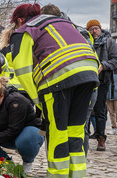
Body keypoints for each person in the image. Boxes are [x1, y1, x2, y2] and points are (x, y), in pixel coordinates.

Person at [10, 3, 99, 178]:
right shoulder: (65, 23)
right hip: (89, 72)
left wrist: (38, 99)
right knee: (75, 132)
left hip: (58, 77)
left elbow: (22, 69)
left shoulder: (25, 30)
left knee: (57, 132)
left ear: (19, 20)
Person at [40, 3, 97, 156]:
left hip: (62, 84)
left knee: (58, 128)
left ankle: (62, 169)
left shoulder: (46, 31)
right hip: (88, 82)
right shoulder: (81, 31)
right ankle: (78, 167)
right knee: (79, 127)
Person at [0, 77, 43, 173]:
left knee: (29, 138)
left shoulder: (17, 101)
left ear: (2, 96)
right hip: (4, 133)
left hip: (24, 133)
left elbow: (14, 129)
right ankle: (6, 162)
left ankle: (27, 162)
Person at [86, 19, 117, 151]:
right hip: (86, 80)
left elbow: (115, 61)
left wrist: (103, 66)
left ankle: (101, 138)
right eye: (91, 29)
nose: (94, 32)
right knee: (85, 110)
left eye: (96, 28)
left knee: (100, 111)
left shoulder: (110, 42)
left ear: (100, 28)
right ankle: (84, 137)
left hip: (103, 81)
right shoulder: (85, 42)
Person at [106, 70, 117, 135]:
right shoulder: (108, 71)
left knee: (116, 111)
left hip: (115, 94)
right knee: (111, 112)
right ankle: (114, 127)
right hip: (108, 95)